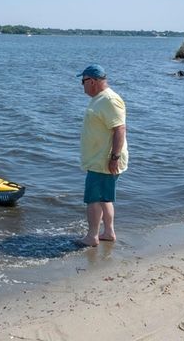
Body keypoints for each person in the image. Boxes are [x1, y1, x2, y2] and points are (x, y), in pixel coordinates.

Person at [77, 64, 128, 247]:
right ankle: (108, 232)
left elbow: (120, 129)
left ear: (91, 81)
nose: (82, 86)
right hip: (100, 159)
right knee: (105, 198)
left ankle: (92, 236)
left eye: (82, 82)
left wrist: (113, 158)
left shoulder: (108, 99)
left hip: (103, 161)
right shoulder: (100, 98)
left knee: (93, 199)